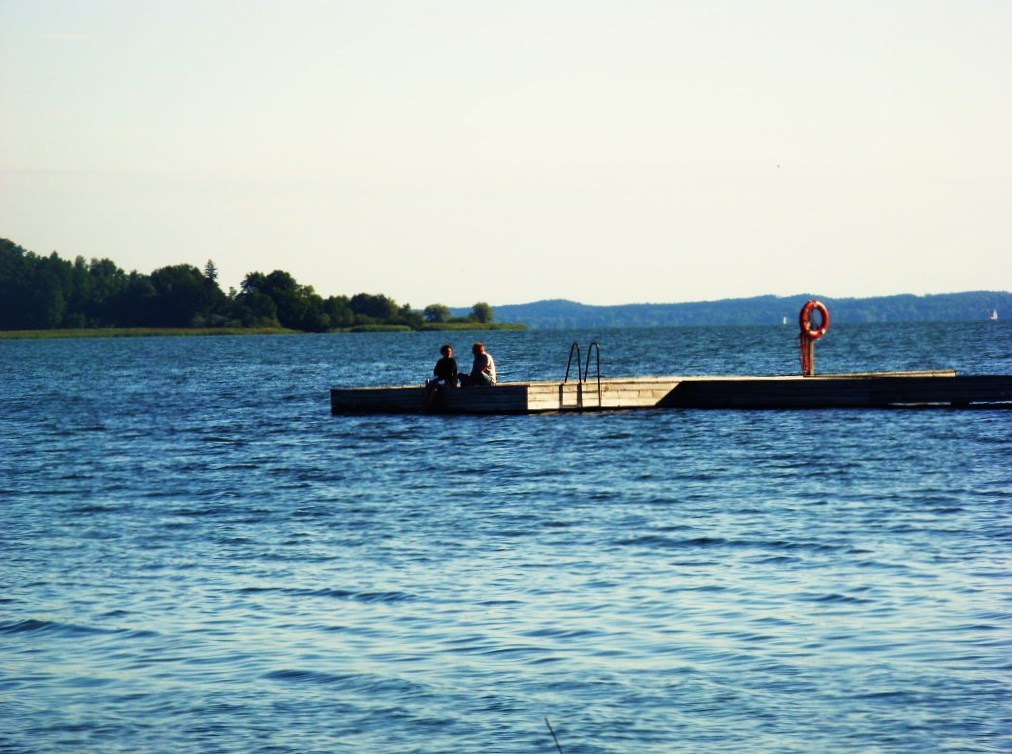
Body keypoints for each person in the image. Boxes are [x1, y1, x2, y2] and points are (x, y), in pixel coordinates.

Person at [425, 344, 458, 408]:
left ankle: (428, 405)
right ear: (443, 353)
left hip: (450, 381)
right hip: (442, 380)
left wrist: (442, 374)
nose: (448, 353)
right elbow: (436, 372)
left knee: (435, 385)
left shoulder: (452, 361)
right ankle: (427, 401)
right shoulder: (440, 361)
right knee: (428, 383)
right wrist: (441, 374)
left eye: (449, 351)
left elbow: (450, 373)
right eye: (446, 351)